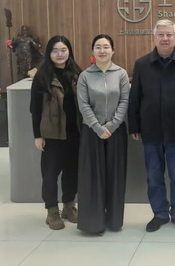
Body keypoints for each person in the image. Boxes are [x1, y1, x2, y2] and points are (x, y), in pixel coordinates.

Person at [128, 20, 175, 233]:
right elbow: (135, 97)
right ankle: (159, 214)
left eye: (169, 35)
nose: (165, 39)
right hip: (151, 131)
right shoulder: (142, 64)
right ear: (154, 37)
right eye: (161, 35)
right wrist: (134, 125)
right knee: (154, 177)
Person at [77, 34, 130, 234]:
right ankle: (94, 223)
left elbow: (124, 101)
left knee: (115, 178)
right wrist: (98, 128)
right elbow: (83, 105)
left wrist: (113, 125)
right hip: (92, 133)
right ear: (92, 51)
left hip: (116, 133)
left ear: (113, 50)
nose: (102, 50)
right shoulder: (85, 76)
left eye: (106, 46)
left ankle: (114, 221)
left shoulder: (121, 74)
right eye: (98, 47)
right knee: (93, 178)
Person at [30, 35, 82, 230]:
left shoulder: (77, 73)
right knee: (50, 174)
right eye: (55, 50)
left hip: (74, 133)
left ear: (69, 51)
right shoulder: (42, 76)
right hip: (51, 134)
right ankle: (52, 210)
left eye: (63, 50)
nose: (60, 54)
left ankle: (69, 206)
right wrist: (37, 135)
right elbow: (35, 108)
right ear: (49, 53)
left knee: (72, 172)